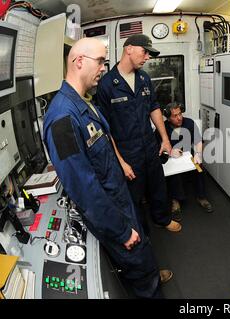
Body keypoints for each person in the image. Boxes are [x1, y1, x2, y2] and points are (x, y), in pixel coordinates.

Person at [43, 38, 172, 298]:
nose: (103, 67)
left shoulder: (84, 102)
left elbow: (104, 142)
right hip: (113, 212)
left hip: (120, 198)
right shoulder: (62, 119)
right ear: (79, 61)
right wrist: (121, 230)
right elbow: (84, 189)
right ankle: (149, 282)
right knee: (139, 267)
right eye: (100, 61)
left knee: (142, 256)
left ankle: (149, 273)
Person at [96, 34, 181, 233]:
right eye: (145, 52)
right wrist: (121, 162)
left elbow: (154, 108)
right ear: (129, 49)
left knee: (158, 187)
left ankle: (162, 218)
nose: (147, 57)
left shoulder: (144, 78)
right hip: (127, 152)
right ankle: (142, 232)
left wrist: (165, 140)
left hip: (149, 145)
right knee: (134, 197)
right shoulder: (107, 84)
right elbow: (104, 129)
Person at [163, 102, 213, 219]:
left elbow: (198, 141)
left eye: (180, 114)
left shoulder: (189, 122)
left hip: (187, 155)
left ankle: (201, 197)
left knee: (199, 169)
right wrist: (169, 152)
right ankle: (175, 201)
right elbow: (156, 147)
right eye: (175, 116)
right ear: (168, 118)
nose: (179, 117)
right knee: (174, 175)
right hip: (171, 157)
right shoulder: (163, 127)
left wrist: (198, 154)